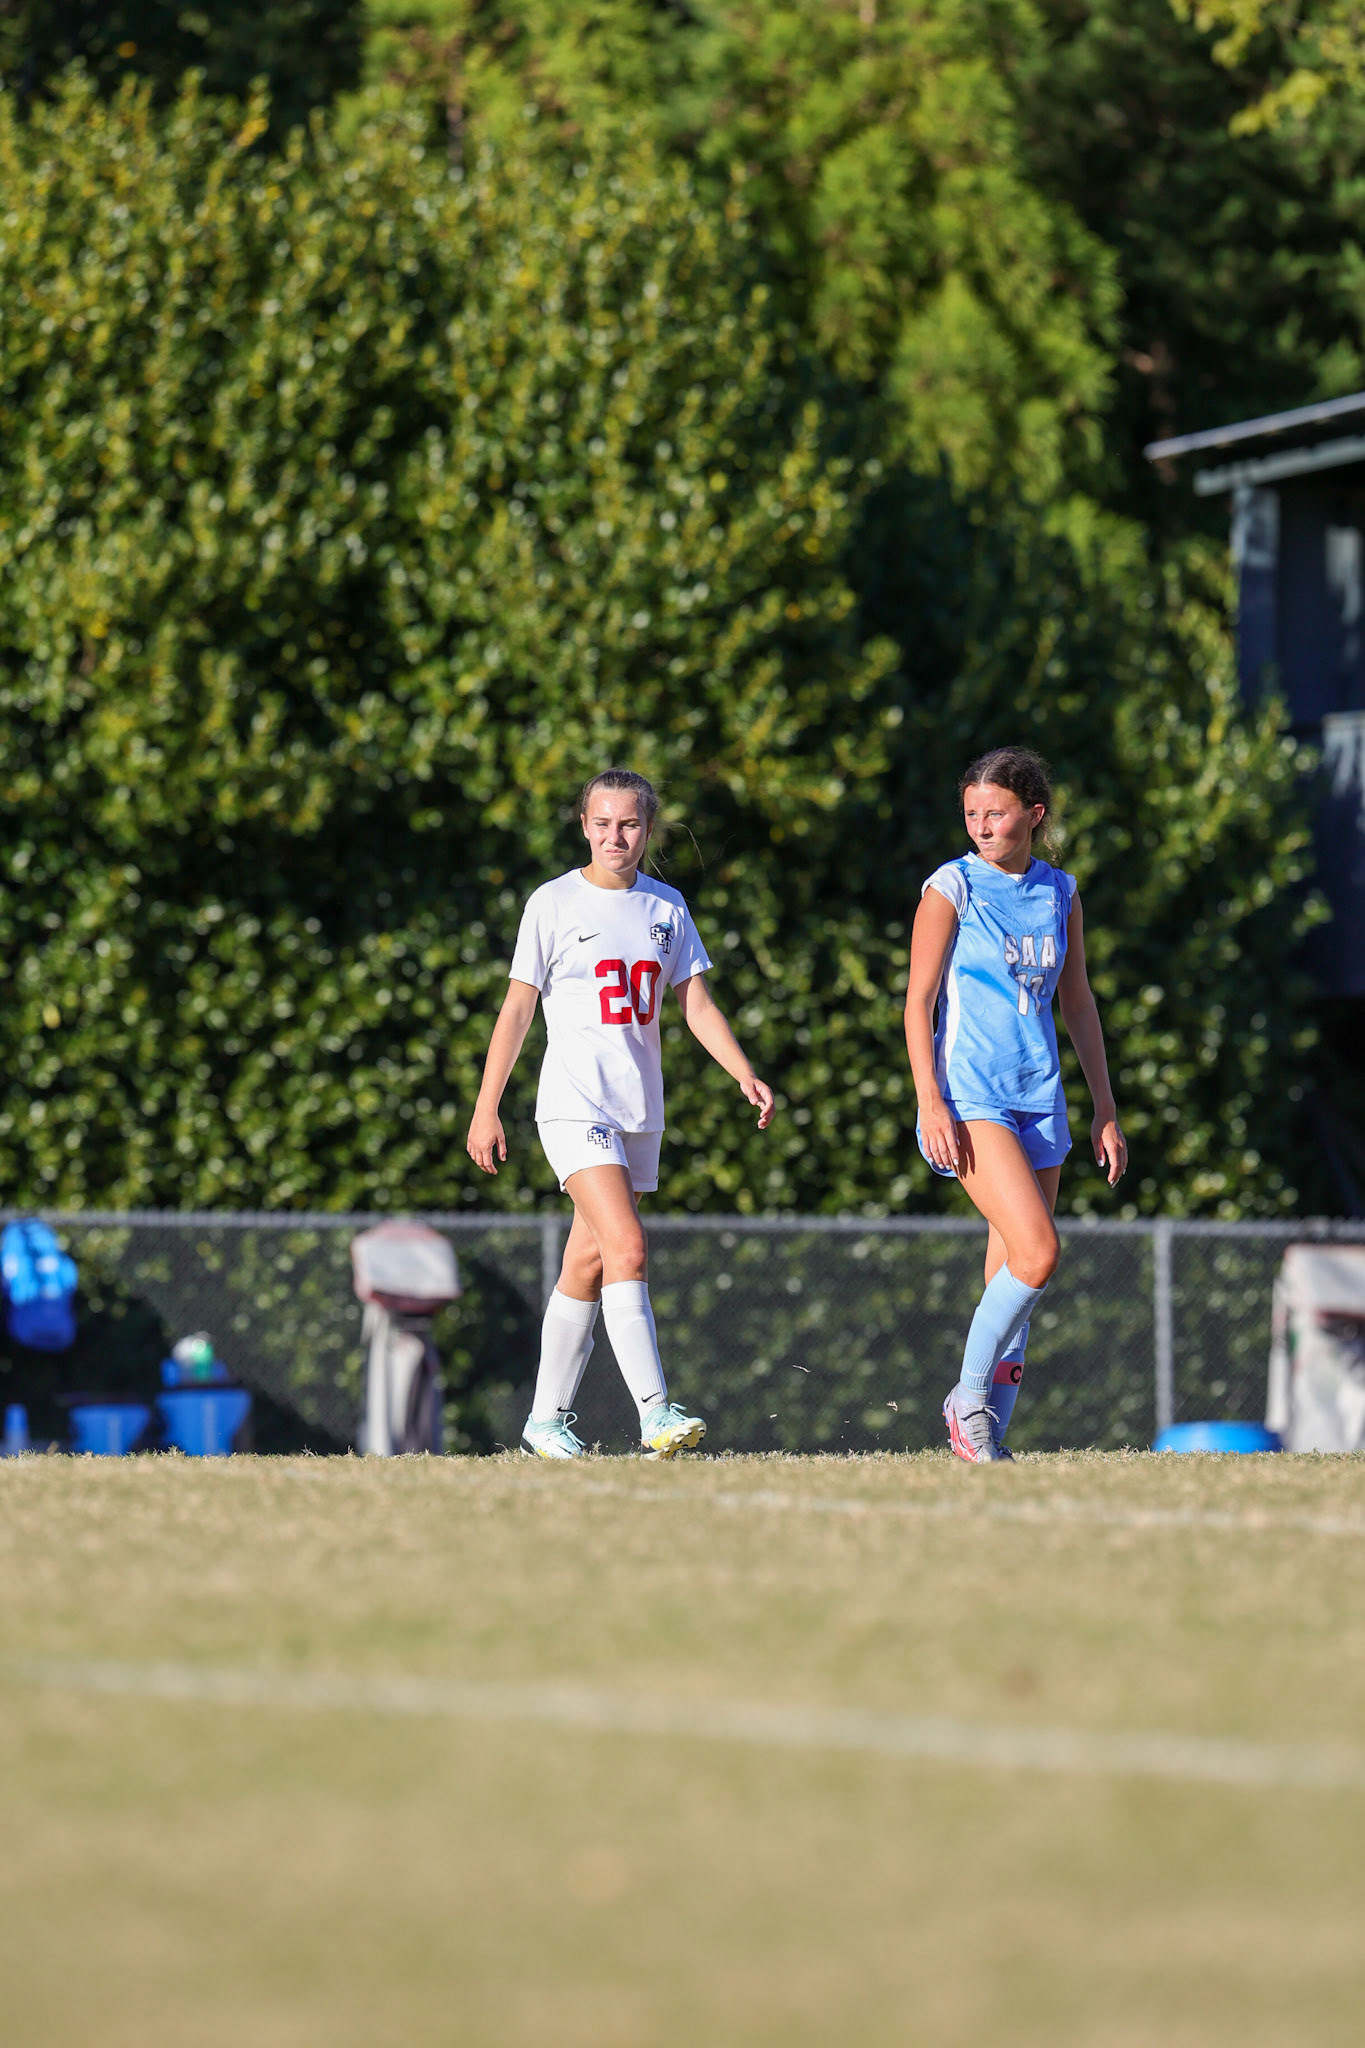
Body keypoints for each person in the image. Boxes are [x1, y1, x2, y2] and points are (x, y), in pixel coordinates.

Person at [466, 767, 775, 1459]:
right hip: (574, 1105)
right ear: (583, 826)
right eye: (602, 823)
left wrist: (742, 1072)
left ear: (647, 829)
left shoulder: (666, 909)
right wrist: (486, 1109)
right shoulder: (551, 903)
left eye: (629, 824)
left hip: (639, 1112)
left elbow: (695, 1004)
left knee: (587, 1262)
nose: (616, 836)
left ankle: (544, 1421)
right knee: (629, 1247)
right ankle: (655, 1414)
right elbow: (517, 1009)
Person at [904, 747, 1126, 1462]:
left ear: (1033, 814)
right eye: (970, 814)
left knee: (1013, 1277)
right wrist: (929, 1101)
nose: (980, 826)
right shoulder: (951, 887)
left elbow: (1078, 1003)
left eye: (994, 813)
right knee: (1038, 1252)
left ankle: (983, 1443)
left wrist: (1104, 1107)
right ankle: (965, 1397)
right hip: (970, 1096)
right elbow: (918, 1002)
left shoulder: (1060, 892)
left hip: (1039, 1100)